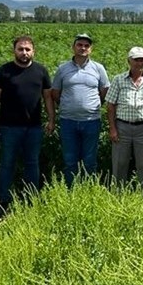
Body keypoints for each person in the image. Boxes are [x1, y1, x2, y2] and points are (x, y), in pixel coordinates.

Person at [0, 35, 55, 218]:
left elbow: (48, 97)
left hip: (34, 128)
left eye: (27, 49)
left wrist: (51, 119)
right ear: (14, 51)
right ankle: (4, 201)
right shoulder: (4, 71)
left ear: (33, 51)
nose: (24, 53)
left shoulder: (41, 71)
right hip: (9, 127)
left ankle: (31, 199)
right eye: (20, 49)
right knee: (7, 164)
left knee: (32, 164)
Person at [51, 33, 109, 186]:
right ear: (73, 47)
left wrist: (91, 106)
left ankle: (89, 189)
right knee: (70, 160)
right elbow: (55, 93)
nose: (83, 48)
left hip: (91, 121)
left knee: (90, 160)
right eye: (80, 45)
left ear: (90, 49)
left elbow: (104, 91)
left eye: (86, 45)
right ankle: (72, 192)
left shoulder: (98, 68)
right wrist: (68, 105)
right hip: (68, 121)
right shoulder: (63, 69)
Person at [106, 46, 143, 189]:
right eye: (135, 60)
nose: (138, 63)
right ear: (129, 61)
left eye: (142, 60)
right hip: (122, 127)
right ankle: (118, 193)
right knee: (120, 163)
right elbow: (110, 106)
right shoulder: (118, 79)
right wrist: (113, 129)